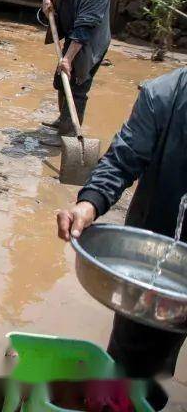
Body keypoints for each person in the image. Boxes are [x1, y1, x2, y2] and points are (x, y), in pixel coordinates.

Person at [56, 67, 187, 410]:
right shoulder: (163, 95)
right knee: (137, 377)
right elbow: (121, 160)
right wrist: (88, 204)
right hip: (159, 268)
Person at [40, 0, 111, 132]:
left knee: (78, 83)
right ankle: (62, 120)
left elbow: (82, 32)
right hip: (73, 32)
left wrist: (67, 59)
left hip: (89, 41)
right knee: (62, 79)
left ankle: (70, 132)